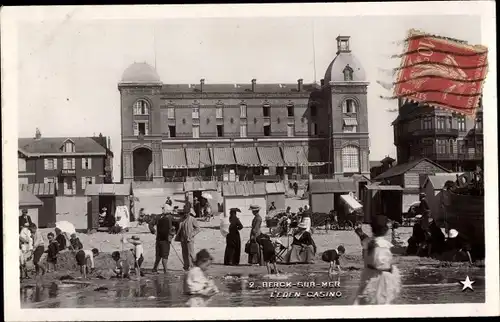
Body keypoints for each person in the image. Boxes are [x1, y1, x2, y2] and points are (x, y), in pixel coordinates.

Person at [353, 215, 401, 305]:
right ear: (385, 230)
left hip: (368, 276)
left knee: (366, 300)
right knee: (379, 301)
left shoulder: (369, 242)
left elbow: (364, 241)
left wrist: (359, 232)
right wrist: (392, 263)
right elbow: (379, 264)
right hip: (379, 279)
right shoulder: (382, 244)